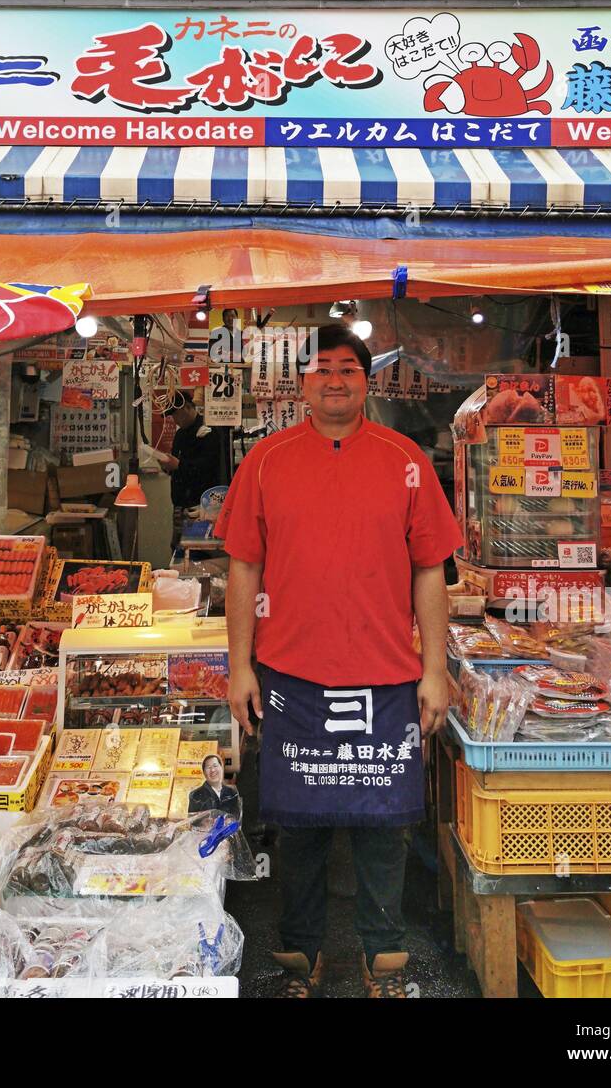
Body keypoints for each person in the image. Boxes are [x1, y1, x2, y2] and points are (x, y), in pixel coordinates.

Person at [218, 324, 462, 999]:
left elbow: (429, 572)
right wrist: (240, 667)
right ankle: (301, 958)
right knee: (299, 828)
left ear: (366, 380)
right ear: (300, 382)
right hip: (290, 676)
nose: (334, 379)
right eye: (321, 368)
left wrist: (433, 670)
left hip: (386, 675)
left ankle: (385, 962)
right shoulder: (265, 460)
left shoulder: (403, 457)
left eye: (347, 368)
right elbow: (242, 568)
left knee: (384, 826)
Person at [161, 390, 226, 548]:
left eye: (175, 415)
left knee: (197, 550)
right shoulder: (180, 435)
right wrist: (167, 466)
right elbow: (177, 466)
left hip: (201, 508)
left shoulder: (209, 431)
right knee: (177, 548)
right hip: (179, 506)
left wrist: (178, 465)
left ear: (186, 408)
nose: (174, 420)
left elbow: (209, 466)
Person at [187, 752, 241, 819]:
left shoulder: (232, 793)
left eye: (215, 766)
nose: (212, 770)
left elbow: (237, 817)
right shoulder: (195, 795)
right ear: (204, 772)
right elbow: (193, 821)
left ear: (221, 768)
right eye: (208, 767)